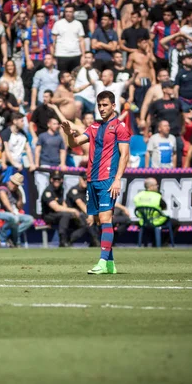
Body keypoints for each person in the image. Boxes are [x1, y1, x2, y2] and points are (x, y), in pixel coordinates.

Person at [61, 90, 131, 274]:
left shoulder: (119, 127)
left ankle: (101, 262)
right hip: (92, 179)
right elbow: (74, 144)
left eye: (105, 105)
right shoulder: (93, 127)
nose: (101, 108)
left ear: (114, 106)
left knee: (106, 219)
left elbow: (125, 155)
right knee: (100, 221)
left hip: (108, 179)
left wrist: (117, 180)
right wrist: (68, 133)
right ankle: (110, 264)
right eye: (99, 105)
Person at [40, 170, 89, 247]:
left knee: (83, 220)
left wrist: (73, 214)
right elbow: (56, 208)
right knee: (66, 215)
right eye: (55, 179)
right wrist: (72, 210)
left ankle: (70, 240)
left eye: (58, 179)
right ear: (51, 180)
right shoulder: (48, 191)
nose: (57, 181)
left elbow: (63, 204)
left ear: (62, 180)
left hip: (59, 215)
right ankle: (62, 240)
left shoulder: (61, 190)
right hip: (49, 215)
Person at [133, 177, 179, 244]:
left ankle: (153, 242)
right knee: (176, 223)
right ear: (151, 186)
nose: (157, 186)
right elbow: (164, 207)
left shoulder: (138, 196)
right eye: (156, 185)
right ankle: (164, 242)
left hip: (143, 222)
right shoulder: (157, 196)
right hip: (157, 221)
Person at [0, 173, 34, 247]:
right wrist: (12, 212)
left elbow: (20, 208)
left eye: (16, 184)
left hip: (14, 213)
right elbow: (5, 202)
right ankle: (2, 239)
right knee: (14, 218)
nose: (14, 185)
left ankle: (11, 236)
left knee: (30, 219)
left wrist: (20, 195)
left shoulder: (16, 191)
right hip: (0, 212)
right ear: (10, 181)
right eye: (13, 183)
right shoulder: (3, 187)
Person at [66, 173, 101, 247]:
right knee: (87, 219)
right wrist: (90, 215)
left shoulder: (88, 191)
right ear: (80, 179)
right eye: (84, 179)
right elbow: (80, 204)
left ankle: (95, 241)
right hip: (72, 216)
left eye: (87, 180)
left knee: (98, 217)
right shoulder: (74, 190)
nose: (85, 181)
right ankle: (69, 240)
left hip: (84, 216)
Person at [52, 3, 86, 73]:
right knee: (62, 77)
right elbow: (53, 41)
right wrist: (53, 56)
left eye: (70, 12)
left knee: (74, 77)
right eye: (66, 12)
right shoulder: (58, 24)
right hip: (61, 55)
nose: (68, 14)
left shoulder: (78, 24)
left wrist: (83, 56)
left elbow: (81, 41)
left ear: (74, 13)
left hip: (76, 55)